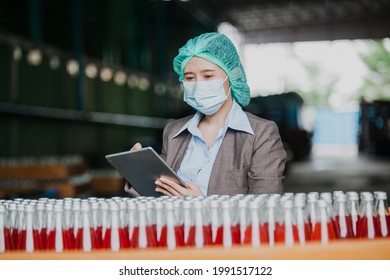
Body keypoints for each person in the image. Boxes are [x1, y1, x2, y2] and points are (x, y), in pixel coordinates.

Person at [125, 32, 287, 198]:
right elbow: (160, 192)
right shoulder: (174, 131)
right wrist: (139, 170)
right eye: (189, 77)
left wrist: (203, 203)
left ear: (232, 76)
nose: (198, 85)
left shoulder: (261, 133)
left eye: (208, 76)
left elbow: (266, 206)